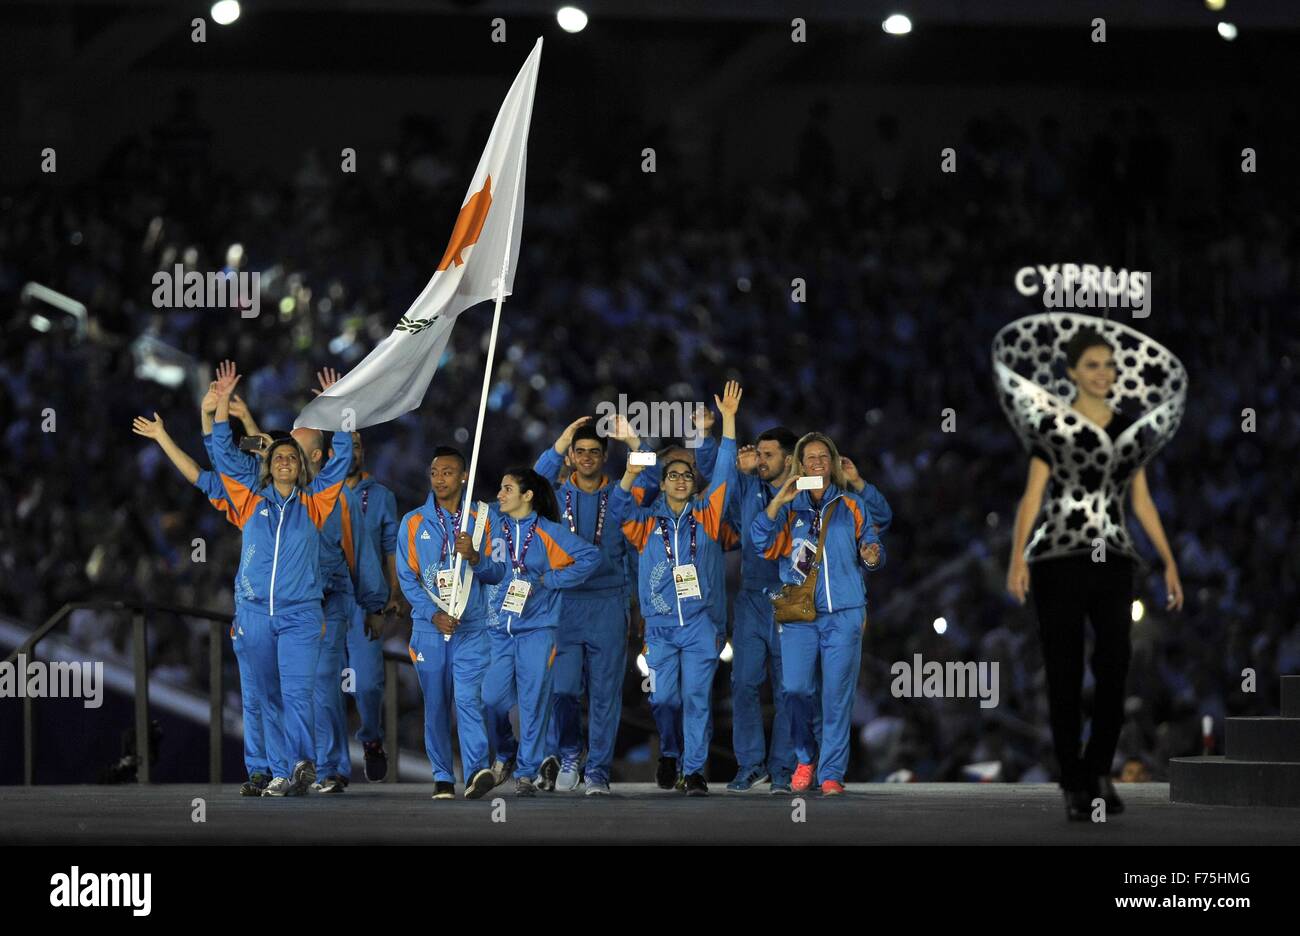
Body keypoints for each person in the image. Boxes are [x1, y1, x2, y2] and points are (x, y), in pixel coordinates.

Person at [999, 323, 1185, 820]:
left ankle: (1099, 769)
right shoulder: (1053, 426)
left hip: (1113, 556)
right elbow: (1033, 495)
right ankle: (1073, 778)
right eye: (1092, 365)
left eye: (1108, 365)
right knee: (1063, 668)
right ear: (1072, 372)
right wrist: (1017, 558)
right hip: (1057, 557)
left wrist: (1168, 560)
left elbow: (1141, 500)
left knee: (1114, 662)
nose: (1103, 373)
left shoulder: (1127, 427)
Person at [208, 365, 354, 796]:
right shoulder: (248, 500)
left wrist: (338, 406)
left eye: (292, 457)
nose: (285, 461)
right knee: (267, 697)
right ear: (268, 467)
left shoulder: (315, 503)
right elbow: (223, 453)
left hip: (301, 616)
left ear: (302, 466)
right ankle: (277, 773)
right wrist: (221, 406)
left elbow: (342, 457)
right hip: (255, 615)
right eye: (278, 457)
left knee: (298, 694)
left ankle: (302, 763)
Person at [132, 384, 271, 795]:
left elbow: (263, 450)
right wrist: (182, 428)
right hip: (254, 607)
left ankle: (292, 767)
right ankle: (262, 770)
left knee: (289, 693)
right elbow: (204, 467)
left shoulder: (294, 494)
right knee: (256, 695)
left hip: (293, 608)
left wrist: (229, 414)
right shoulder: (243, 496)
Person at [605, 381, 742, 796]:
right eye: (673, 475)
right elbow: (619, 507)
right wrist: (631, 452)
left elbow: (725, 470)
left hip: (701, 624)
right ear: (662, 484)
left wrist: (729, 421)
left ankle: (695, 771)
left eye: (687, 474)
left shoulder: (709, 515)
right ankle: (669, 750)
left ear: (694, 482)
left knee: (697, 699)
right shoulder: (645, 523)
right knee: (665, 700)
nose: (681, 479)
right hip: (661, 626)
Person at [751, 431, 886, 796]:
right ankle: (805, 757)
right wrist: (780, 499)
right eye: (810, 458)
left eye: (824, 457)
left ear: (833, 463)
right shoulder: (788, 509)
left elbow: (872, 544)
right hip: (799, 613)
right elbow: (760, 542)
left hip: (844, 612)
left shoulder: (851, 504)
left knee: (836, 696)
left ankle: (831, 773)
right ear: (799, 464)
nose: (817, 463)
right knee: (795, 690)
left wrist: (871, 555)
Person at [531, 415, 647, 794]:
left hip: (608, 604)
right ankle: (569, 752)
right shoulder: (553, 497)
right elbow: (531, 482)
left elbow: (652, 479)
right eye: (579, 451)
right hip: (564, 604)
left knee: (604, 693)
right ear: (571, 456)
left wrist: (634, 442)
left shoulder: (621, 495)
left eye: (593, 452)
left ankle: (597, 771)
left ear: (604, 457)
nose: (585, 458)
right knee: (563, 689)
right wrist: (561, 440)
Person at [480, 468, 601, 796]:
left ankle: (526, 772)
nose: (500, 495)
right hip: (499, 628)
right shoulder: (493, 523)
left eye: (507, 489)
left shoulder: (549, 532)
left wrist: (550, 580)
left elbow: (590, 557)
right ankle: (506, 750)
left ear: (528, 495)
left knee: (533, 702)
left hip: (537, 628)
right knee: (491, 698)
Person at [397, 446, 504, 800]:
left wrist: (474, 557)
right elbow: (407, 578)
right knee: (437, 704)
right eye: (434, 473)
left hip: (471, 629)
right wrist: (432, 614)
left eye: (447, 472)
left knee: (469, 700)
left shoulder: (484, 518)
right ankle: (442, 776)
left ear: (464, 477)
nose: (439, 479)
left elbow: (498, 572)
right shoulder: (413, 522)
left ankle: (475, 772)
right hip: (429, 630)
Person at [318, 367, 403, 782]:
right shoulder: (320, 493)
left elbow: (391, 549)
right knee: (328, 684)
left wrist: (393, 595)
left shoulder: (381, 497)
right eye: (346, 445)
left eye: (358, 445)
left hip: (366, 601)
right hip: (327, 600)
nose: (353, 451)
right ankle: (333, 766)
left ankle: (370, 738)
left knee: (367, 684)